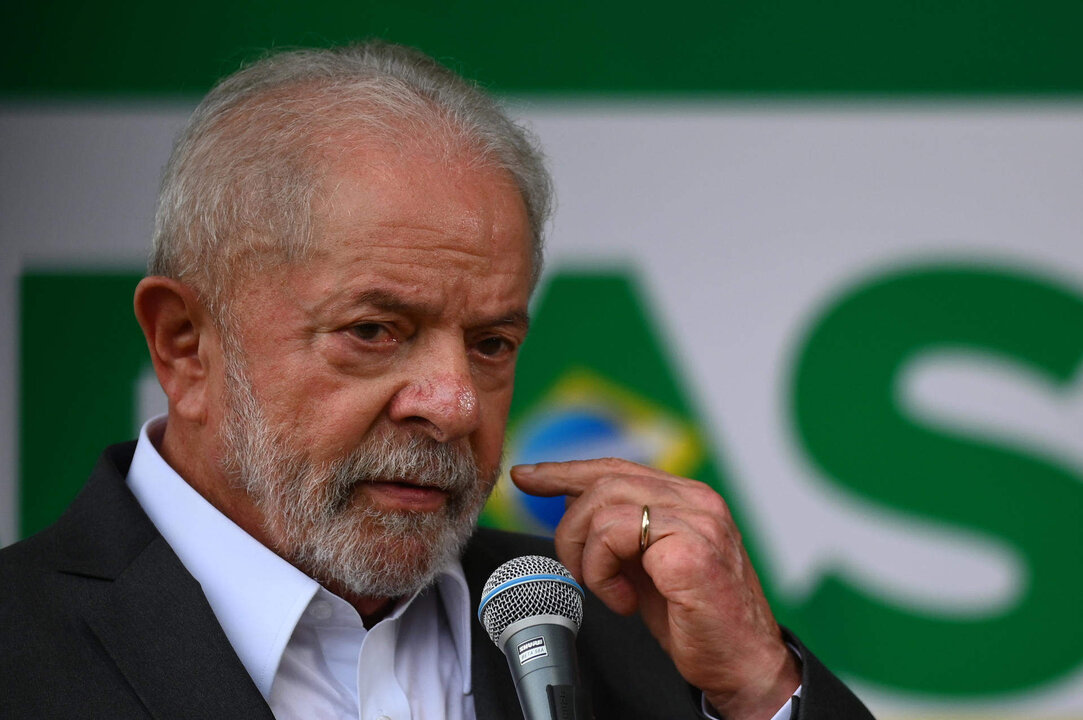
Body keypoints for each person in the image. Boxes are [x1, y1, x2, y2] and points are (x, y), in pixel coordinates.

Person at [0, 42, 873, 719]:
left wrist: (760, 690)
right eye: (374, 331)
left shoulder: (634, 635)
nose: (454, 405)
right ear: (185, 344)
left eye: (491, 344)